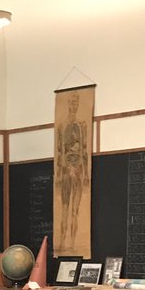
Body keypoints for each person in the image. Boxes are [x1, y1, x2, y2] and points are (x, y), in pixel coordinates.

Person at [55, 90, 90, 253]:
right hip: (65, 171)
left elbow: (84, 151)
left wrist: (85, 174)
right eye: (71, 102)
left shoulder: (82, 125)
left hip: (77, 172)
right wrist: (61, 173)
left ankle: (73, 244)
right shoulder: (62, 126)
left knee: (75, 211)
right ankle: (62, 243)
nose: (73, 105)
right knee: (64, 210)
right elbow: (59, 152)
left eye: (76, 102)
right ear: (68, 104)